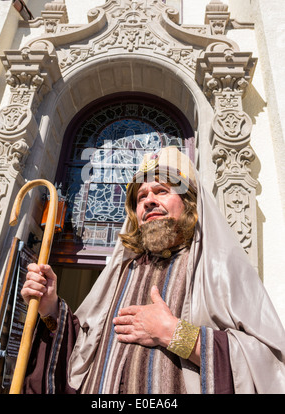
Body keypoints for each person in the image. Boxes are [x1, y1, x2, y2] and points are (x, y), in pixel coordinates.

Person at [21, 147, 285, 394]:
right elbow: (81, 355)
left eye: (161, 191)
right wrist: (50, 309)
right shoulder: (121, 273)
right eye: (141, 196)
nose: (148, 201)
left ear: (190, 203)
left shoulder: (220, 267)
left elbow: (269, 364)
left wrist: (175, 334)